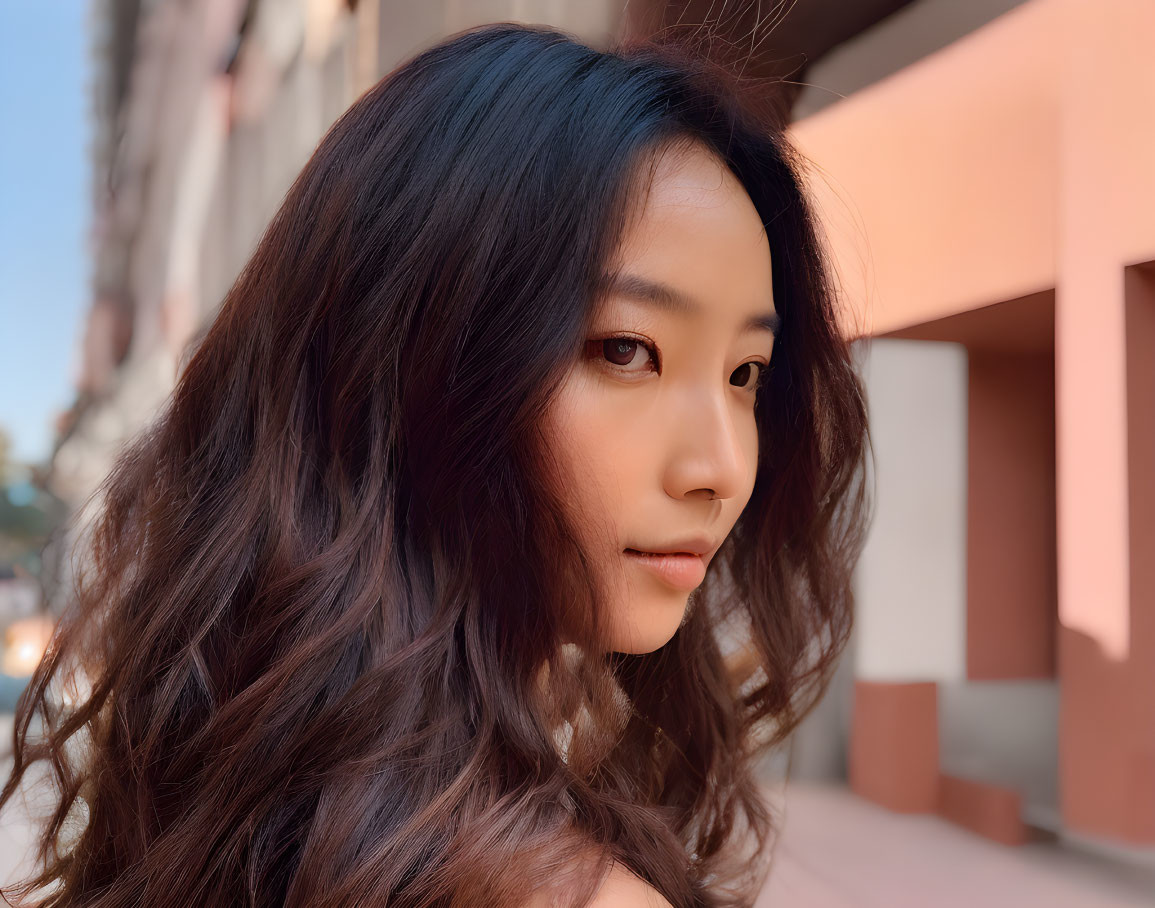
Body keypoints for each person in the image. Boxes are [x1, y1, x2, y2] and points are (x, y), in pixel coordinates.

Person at [0, 21, 871, 908]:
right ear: (407, 366)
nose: (721, 467)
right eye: (624, 349)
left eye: (743, 374)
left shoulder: (245, 794)